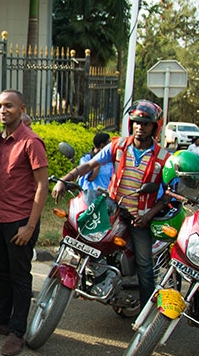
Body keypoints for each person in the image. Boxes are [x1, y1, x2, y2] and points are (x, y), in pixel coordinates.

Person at [52, 100, 171, 308]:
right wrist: (64, 180)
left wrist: (148, 216)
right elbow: (90, 164)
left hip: (138, 219)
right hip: (112, 210)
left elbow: (168, 194)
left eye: (146, 124)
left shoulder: (163, 158)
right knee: (80, 233)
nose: (140, 127)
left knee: (145, 265)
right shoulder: (118, 146)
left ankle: (145, 315)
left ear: (155, 127)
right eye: (136, 122)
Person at [0, 90, 48, 356]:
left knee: (19, 277)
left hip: (20, 221)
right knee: (2, 271)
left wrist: (30, 227)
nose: (3, 111)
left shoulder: (31, 142)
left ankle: (17, 331)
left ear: (22, 108)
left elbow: (42, 186)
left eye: (9, 106)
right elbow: (0, 177)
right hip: (0, 217)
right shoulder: (1, 140)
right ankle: (1, 320)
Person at [78, 132, 113, 196]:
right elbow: (91, 177)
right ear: (102, 145)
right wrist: (99, 160)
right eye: (109, 143)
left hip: (105, 196)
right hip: (89, 196)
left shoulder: (109, 159)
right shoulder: (86, 159)